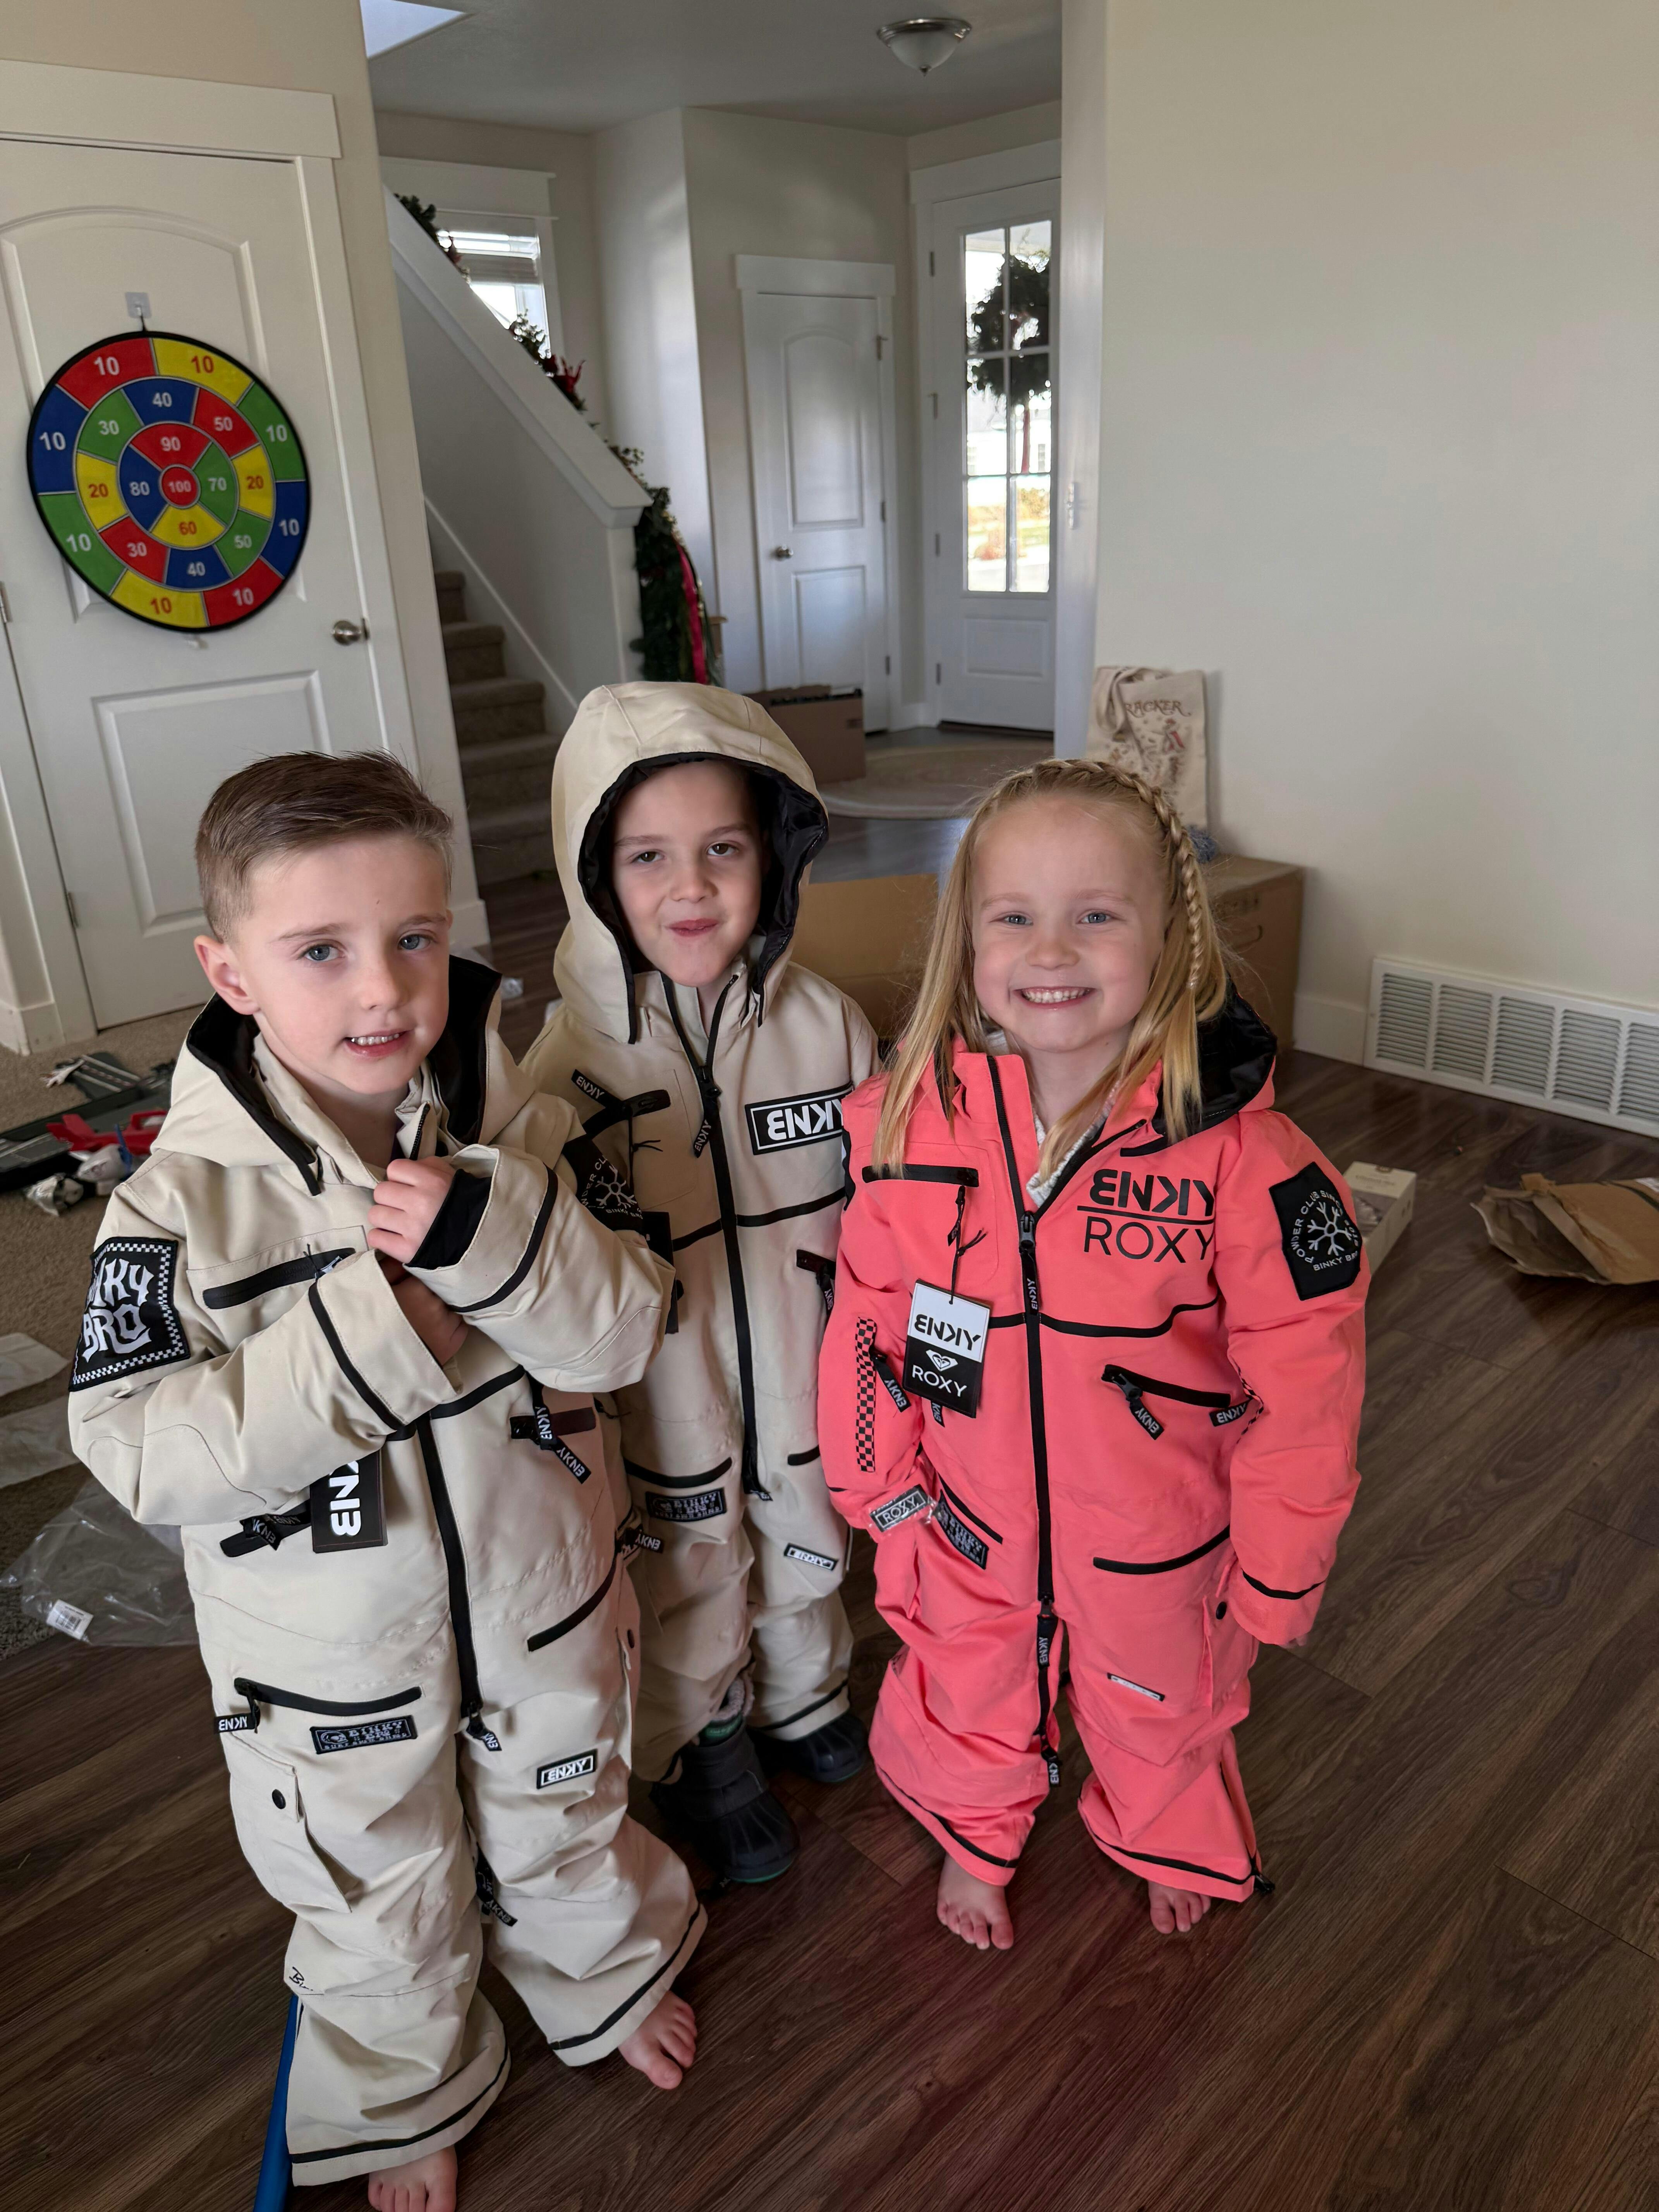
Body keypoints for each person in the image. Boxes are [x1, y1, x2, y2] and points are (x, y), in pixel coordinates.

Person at [68, 753, 704, 2212]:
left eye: (416, 937)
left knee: (568, 1801)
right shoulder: (173, 1210)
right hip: (327, 1665)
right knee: (373, 1886)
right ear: (228, 973)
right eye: (321, 951)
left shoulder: (527, 1134)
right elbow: (138, 1448)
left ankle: (601, 1980)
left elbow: (628, 1331)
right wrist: (380, 1333)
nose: (384, 990)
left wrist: (503, 1243)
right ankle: (403, 2089)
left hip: (544, 1594)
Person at [818, 757, 1367, 1951]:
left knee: (1160, 1703)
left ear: (1172, 940)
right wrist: (879, 1489)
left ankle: (1166, 1834)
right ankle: (975, 1838)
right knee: (965, 1682)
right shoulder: (909, 1125)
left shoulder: (1245, 1162)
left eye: (1097, 916)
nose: (1051, 952)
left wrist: (1281, 1568)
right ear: (967, 940)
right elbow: (873, 1321)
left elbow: (1307, 1385)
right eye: (1013, 917)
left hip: (1157, 1536)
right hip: (966, 1513)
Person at [523, 683, 881, 1884]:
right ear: (592, 874)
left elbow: (882, 1200)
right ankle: (703, 1739)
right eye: (647, 857)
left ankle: (804, 1691)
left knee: (807, 1520)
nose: (691, 887)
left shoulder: (828, 1028)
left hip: (801, 1347)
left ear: (774, 856)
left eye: (723, 849)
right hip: (662, 1387)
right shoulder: (562, 1073)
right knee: (689, 1562)